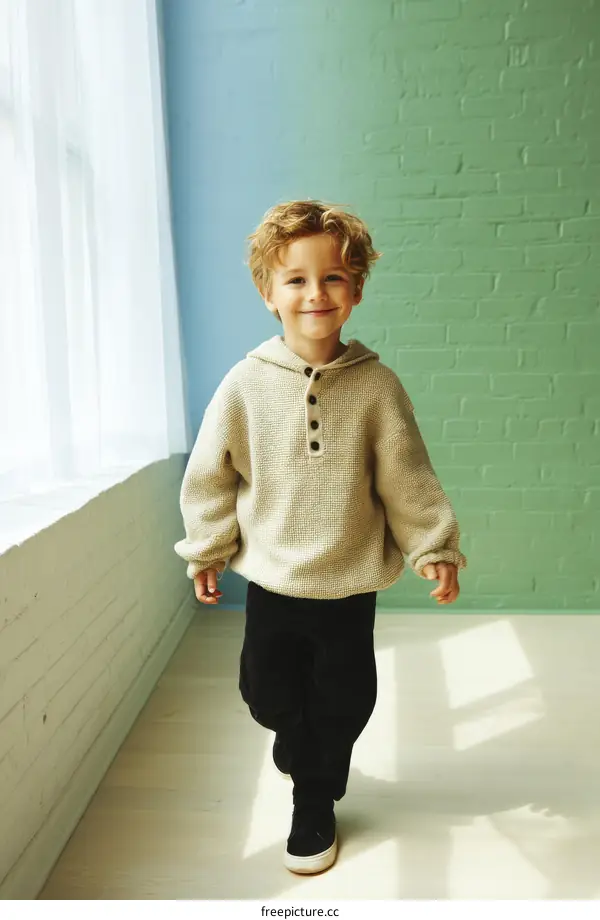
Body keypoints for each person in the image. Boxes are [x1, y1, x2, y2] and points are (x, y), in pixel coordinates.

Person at [174, 199, 467, 875]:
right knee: (265, 692)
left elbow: (408, 477)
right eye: (297, 279)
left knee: (346, 696)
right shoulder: (245, 384)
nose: (315, 293)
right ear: (268, 291)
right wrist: (207, 549)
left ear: (356, 289)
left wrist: (434, 546)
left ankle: (315, 798)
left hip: (349, 576)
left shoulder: (377, 388)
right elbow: (211, 477)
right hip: (274, 575)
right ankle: (301, 746)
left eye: (333, 278)